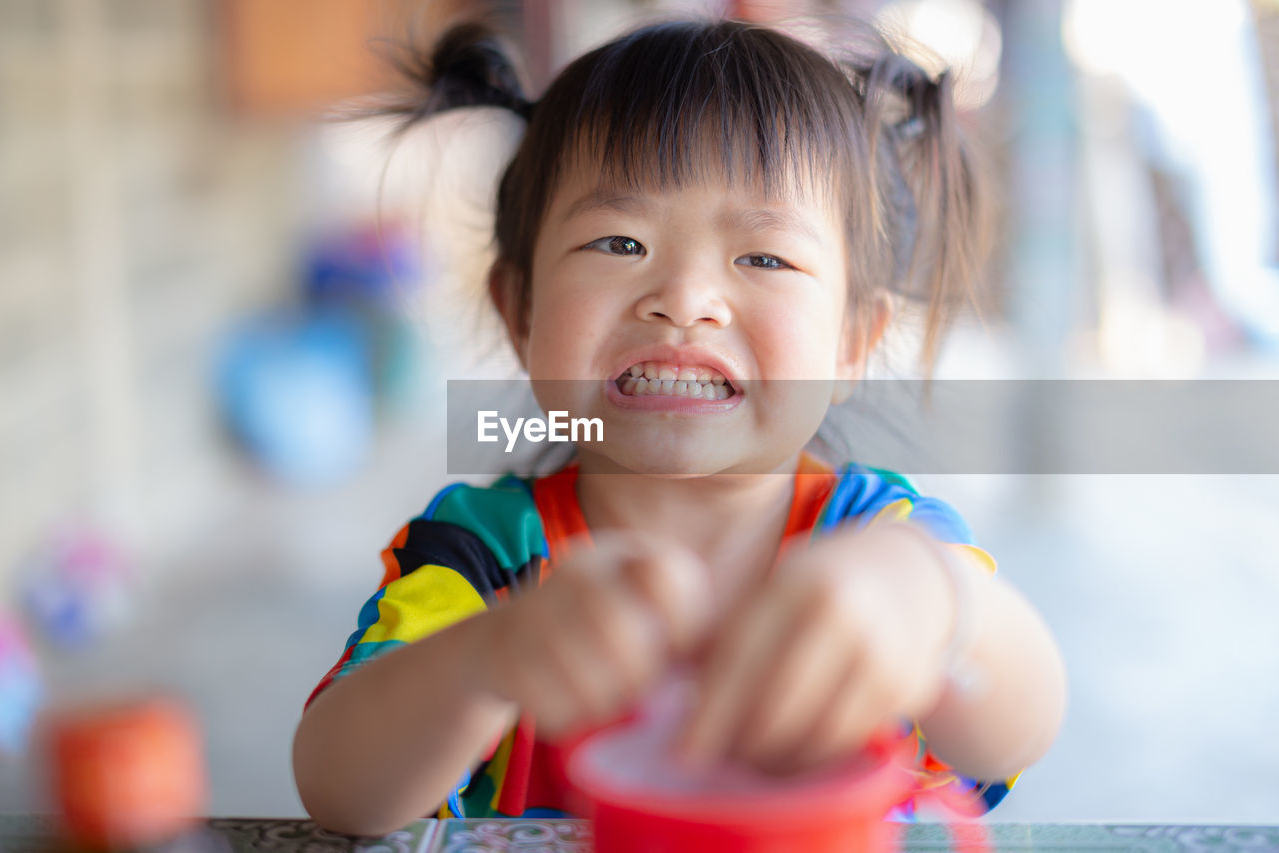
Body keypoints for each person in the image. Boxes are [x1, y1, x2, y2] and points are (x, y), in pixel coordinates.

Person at [292, 16, 1067, 835]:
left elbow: (1019, 728)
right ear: (519, 313)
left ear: (851, 342)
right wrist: (487, 657)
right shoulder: (481, 557)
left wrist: (938, 605)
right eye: (618, 241)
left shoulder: (882, 538)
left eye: (764, 257)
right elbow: (342, 791)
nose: (685, 297)